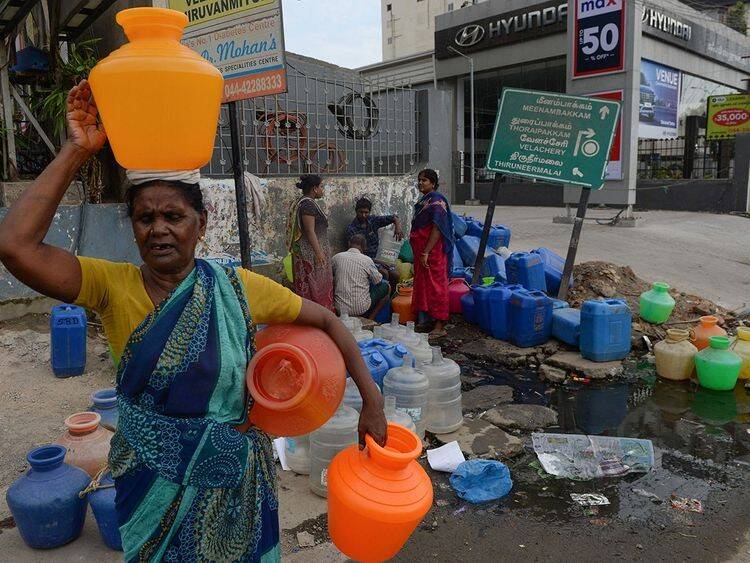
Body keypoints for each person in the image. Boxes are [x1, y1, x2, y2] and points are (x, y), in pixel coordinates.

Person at [0, 81, 386, 562]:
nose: (159, 228)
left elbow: (328, 321)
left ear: (200, 225)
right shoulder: (111, 285)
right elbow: (16, 247)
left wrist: (372, 399)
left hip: (233, 483)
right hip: (150, 482)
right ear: (133, 227)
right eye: (144, 218)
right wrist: (76, 151)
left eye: (174, 216)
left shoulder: (236, 287)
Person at [410, 169, 454, 338]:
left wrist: (426, 252)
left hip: (433, 254)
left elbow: (437, 229)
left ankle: (440, 326)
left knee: (437, 288)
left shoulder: (437, 202)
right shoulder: (425, 201)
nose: (421, 183)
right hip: (422, 253)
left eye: (425, 180)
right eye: (419, 180)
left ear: (433, 184)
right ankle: (427, 320)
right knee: (424, 286)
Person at [287, 174, 334, 311]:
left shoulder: (305, 203)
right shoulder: (307, 205)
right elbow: (309, 231)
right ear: (314, 189)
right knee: (315, 288)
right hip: (311, 256)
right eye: (321, 187)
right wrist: (319, 253)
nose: (322, 190)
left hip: (312, 253)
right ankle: (317, 317)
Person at [346, 197, 404, 292]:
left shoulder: (372, 220)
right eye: (361, 212)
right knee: (384, 273)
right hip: (364, 260)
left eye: (366, 212)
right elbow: (356, 255)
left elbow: (394, 217)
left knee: (395, 275)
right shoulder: (351, 229)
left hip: (378, 257)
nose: (364, 215)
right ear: (356, 211)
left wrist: (398, 227)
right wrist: (380, 262)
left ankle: (391, 297)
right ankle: (382, 297)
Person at [331, 234, 390, 320]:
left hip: (339, 308)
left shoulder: (336, 257)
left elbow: (329, 277)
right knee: (386, 287)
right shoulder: (367, 260)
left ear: (349, 244)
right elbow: (379, 282)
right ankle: (370, 319)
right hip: (361, 309)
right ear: (364, 247)